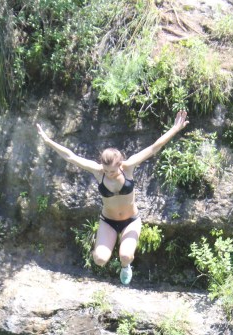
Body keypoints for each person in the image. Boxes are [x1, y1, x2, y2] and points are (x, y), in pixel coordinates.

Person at [36, 111, 189, 285]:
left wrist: (175, 129)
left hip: (131, 220)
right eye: (106, 171)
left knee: (125, 256)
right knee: (99, 259)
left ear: (120, 164)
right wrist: (48, 141)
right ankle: (108, 246)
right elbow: (71, 156)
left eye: (113, 171)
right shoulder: (98, 171)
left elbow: (154, 147)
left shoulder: (128, 166)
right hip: (108, 221)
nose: (109, 174)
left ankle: (125, 266)